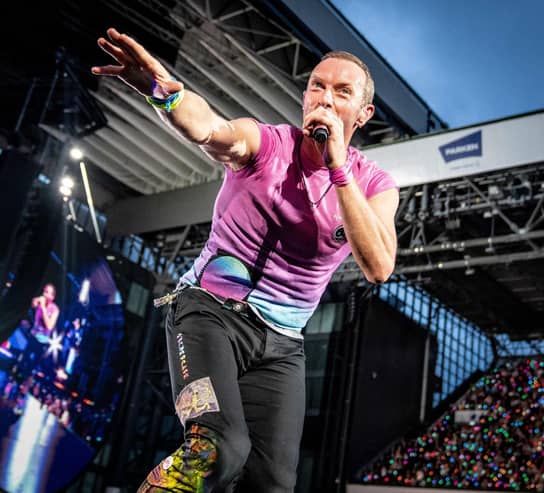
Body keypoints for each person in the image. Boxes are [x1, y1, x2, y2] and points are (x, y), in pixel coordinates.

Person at [92, 27, 399, 493]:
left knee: (272, 483)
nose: (325, 98)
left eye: (342, 91)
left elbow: (378, 267)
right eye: (317, 85)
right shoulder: (268, 144)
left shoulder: (372, 184)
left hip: (282, 345)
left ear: (363, 113)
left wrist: (338, 167)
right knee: (217, 449)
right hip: (209, 313)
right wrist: (165, 94)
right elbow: (211, 129)